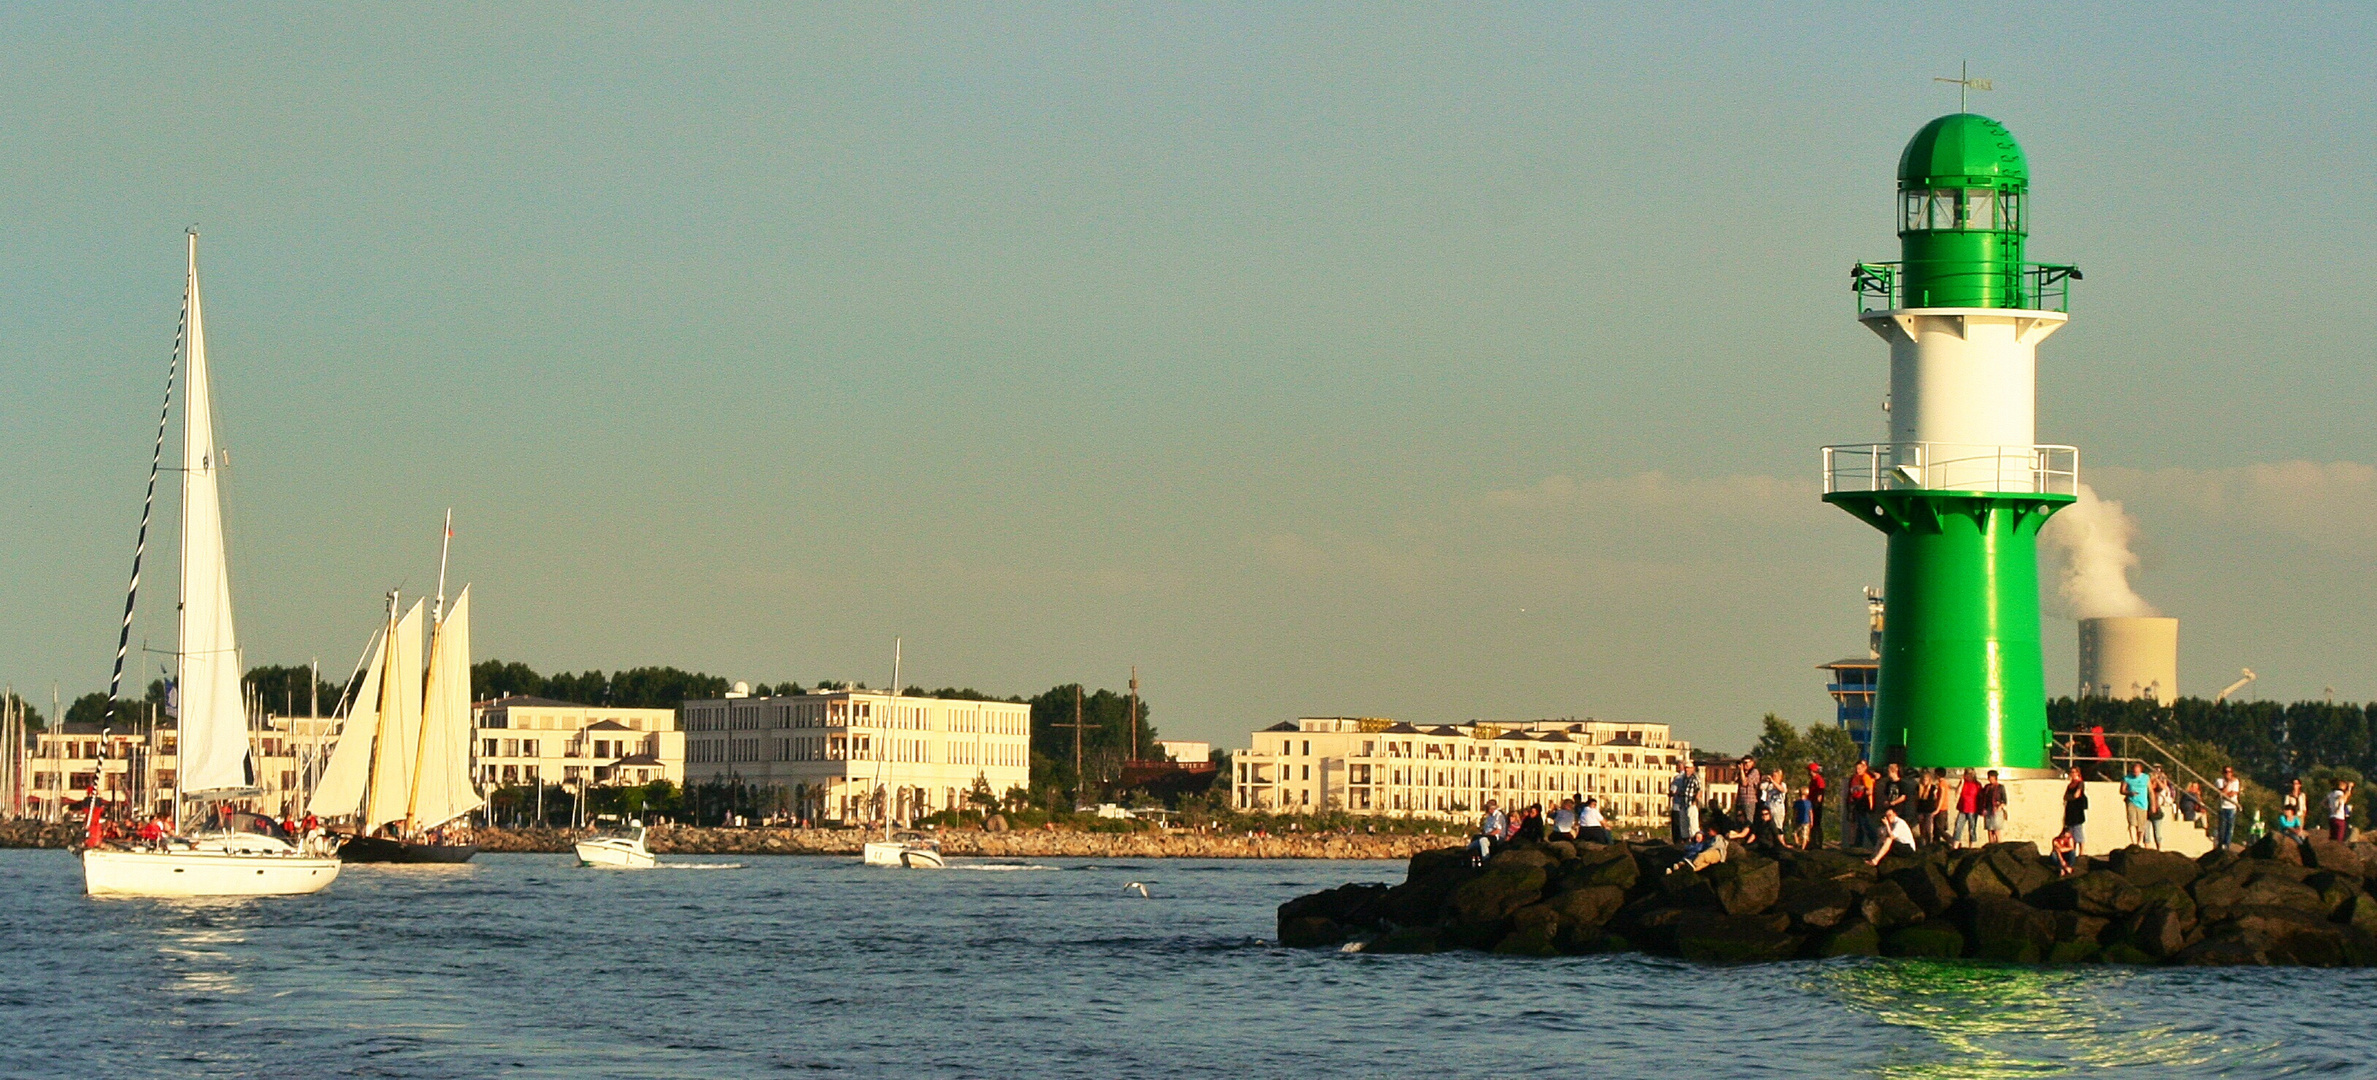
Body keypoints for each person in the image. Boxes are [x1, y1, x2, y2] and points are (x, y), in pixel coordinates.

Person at [1669, 762, 1701, 844]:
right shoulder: (1684, 779)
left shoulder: (1694, 779)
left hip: (1690, 804)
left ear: (1692, 769)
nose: (1687, 770)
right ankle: (1686, 841)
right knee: (1683, 824)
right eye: (1686, 768)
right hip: (1683, 804)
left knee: (1692, 824)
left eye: (1688, 768)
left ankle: (1694, 841)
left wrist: (1695, 801)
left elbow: (1699, 791)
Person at [2122, 762, 2151, 847]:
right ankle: (2134, 842)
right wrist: (2129, 793)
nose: (2136, 774)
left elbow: (2151, 791)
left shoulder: (2146, 777)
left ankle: (2139, 842)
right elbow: (2122, 790)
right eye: (2134, 772)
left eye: (2137, 772)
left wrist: (2153, 804)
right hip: (2132, 801)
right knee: (2132, 822)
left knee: (2141, 825)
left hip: (2143, 804)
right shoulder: (2127, 778)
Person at [1953, 768, 1983, 848]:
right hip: (1963, 808)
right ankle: (1955, 845)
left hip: (1973, 809)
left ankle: (1972, 846)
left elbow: (1981, 797)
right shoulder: (1964, 783)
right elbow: (1957, 794)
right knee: (1958, 827)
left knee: (1972, 828)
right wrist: (1961, 783)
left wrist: (1981, 809)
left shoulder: (1977, 784)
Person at [2063, 766, 2090, 853]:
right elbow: (2065, 796)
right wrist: (2069, 797)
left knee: (2078, 832)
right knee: (2071, 833)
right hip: (2070, 810)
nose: (2073, 774)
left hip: (2077, 810)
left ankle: (2081, 852)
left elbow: (2076, 795)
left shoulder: (2080, 783)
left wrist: (2070, 797)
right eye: (2071, 772)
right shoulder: (2070, 785)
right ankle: (2073, 851)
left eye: (2074, 772)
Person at [2216, 766, 2243, 851]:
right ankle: (2221, 845)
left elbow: (2233, 793)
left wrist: (2226, 793)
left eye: (2230, 772)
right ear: (2223, 773)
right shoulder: (2219, 781)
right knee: (2222, 827)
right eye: (2226, 772)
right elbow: (2222, 794)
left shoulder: (2236, 781)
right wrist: (2228, 784)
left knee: (2230, 828)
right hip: (2222, 807)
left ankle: (2227, 845)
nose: (2228, 774)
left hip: (2232, 807)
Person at [1470, 800, 1504, 865]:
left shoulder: (1498, 816)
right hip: (1487, 836)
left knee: (1483, 841)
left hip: (1495, 838)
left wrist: (1487, 835)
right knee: (1472, 844)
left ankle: (1486, 860)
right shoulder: (1489, 817)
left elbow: (1498, 830)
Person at [1805, 762, 1828, 847]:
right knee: (1813, 824)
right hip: (1812, 803)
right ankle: (1813, 841)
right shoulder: (1813, 779)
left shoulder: (1819, 780)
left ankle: (1818, 843)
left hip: (1816, 804)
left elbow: (1820, 792)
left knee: (1816, 824)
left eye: (1809, 770)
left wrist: (1817, 803)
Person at [1982, 769, 2008, 845]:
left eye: (1991, 777)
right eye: (1989, 777)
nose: (1990, 779)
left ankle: (1999, 846)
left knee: (1997, 830)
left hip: (1997, 810)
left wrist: (2000, 806)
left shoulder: (2000, 787)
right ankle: (1991, 846)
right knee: (1990, 830)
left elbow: (2005, 800)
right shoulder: (1987, 787)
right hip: (1988, 810)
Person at [2145, 769, 2168, 851]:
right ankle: (2147, 848)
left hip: (2157, 811)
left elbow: (2164, 787)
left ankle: (2159, 848)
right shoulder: (2146, 788)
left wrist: (2157, 779)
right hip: (2146, 810)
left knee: (2157, 833)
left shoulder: (2157, 789)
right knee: (2146, 833)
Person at [2327, 778, 2355, 843]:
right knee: (2339, 838)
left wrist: (2331, 807)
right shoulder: (2340, 793)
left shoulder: (2331, 794)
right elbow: (2343, 798)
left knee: (2332, 837)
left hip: (2331, 817)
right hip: (2339, 817)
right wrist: (2349, 788)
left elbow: (2323, 802)